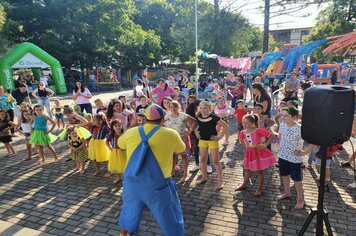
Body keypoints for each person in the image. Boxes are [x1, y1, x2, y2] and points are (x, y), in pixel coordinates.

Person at [118, 104, 186, 235]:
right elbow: (181, 150)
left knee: (128, 213)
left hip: (132, 183)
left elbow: (121, 145)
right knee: (170, 217)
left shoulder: (131, 132)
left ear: (145, 118)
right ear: (163, 119)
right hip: (158, 185)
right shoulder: (170, 133)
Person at [236, 114, 275, 196]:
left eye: (246, 123)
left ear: (252, 123)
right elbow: (241, 139)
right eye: (243, 122)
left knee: (260, 171)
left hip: (258, 153)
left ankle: (259, 189)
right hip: (249, 153)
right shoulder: (243, 132)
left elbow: (271, 135)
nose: (244, 125)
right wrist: (246, 145)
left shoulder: (258, 130)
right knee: (248, 170)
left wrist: (265, 144)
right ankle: (244, 185)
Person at [195, 100, 228, 190]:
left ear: (209, 108)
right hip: (202, 141)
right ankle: (204, 177)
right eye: (201, 108)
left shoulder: (214, 117)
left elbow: (226, 126)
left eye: (205, 108)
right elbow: (195, 125)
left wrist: (219, 137)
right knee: (202, 159)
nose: (203, 110)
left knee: (216, 161)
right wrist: (196, 132)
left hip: (212, 141)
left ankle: (221, 181)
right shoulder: (198, 116)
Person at [276, 107, 304, 209]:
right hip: (283, 155)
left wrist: (304, 152)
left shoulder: (300, 128)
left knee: (296, 178)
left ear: (294, 117)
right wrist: (279, 147)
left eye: (286, 115)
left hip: (295, 158)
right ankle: (287, 192)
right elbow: (280, 136)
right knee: (284, 174)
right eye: (282, 115)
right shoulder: (282, 125)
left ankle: (300, 199)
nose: (282, 117)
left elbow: (313, 142)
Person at [165, 100, 198, 184]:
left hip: (181, 138)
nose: (173, 109)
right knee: (173, 155)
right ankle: (172, 171)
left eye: (175, 107)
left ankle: (185, 174)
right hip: (170, 139)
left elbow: (195, 121)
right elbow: (161, 123)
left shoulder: (183, 116)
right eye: (171, 107)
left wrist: (189, 131)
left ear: (179, 107)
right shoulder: (167, 116)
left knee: (183, 156)